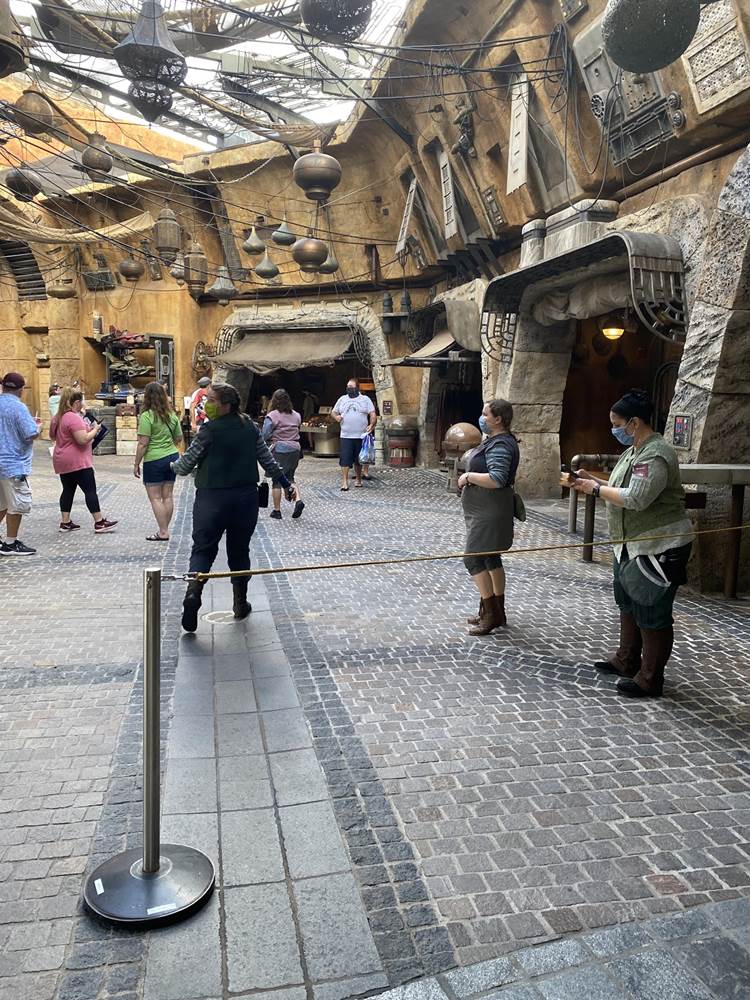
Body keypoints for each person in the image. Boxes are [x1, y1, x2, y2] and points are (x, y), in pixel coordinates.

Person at [568, 390, 694, 699]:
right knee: (627, 601)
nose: (614, 430)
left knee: (651, 609)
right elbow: (620, 487)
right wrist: (591, 480)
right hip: (628, 544)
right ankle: (626, 659)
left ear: (634, 423)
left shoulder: (656, 453)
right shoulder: (633, 451)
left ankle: (650, 677)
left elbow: (637, 497)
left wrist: (595, 490)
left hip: (657, 545)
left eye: (617, 424)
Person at [172, 383, 299, 632]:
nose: (206, 404)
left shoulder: (208, 430)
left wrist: (171, 466)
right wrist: (285, 484)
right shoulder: (249, 427)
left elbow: (185, 466)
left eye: (211, 400)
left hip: (210, 499)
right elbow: (268, 461)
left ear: (226, 404)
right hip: (244, 499)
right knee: (239, 551)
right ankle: (240, 603)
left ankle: (193, 593)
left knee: (202, 549)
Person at [457, 399, 520, 635]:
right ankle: (496, 610)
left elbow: (497, 478)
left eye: (486, 414)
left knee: (473, 559)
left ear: (498, 419)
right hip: (485, 509)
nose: (482, 418)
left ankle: (491, 614)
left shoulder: (501, 444)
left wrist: (468, 477)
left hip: (490, 512)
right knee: (490, 557)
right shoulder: (495, 440)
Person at [50, 388, 117, 534]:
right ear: (77, 402)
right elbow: (83, 439)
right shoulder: (73, 418)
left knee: (68, 490)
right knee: (90, 490)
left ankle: (65, 522)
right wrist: (96, 430)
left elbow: (52, 435)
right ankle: (99, 522)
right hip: (77, 461)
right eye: (82, 401)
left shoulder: (58, 417)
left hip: (62, 459)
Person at [134, 381, 183, 541]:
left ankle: (163, 532)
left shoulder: (147, 416)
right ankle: (164, 529)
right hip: (172, 456)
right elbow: (179, 438)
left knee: (155, 497)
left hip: (154, 460)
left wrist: (136, 463)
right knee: (167, 496)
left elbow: (143, 443)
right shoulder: (172, 415)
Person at [0, 371, 42, 555]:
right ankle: (10, 543)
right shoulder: (19, 407)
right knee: (17, 504)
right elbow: (30, 433)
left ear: (3, 386)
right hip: (13, 464)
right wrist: (38, 427)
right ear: (21, 389)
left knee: (1, 503)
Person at [262, 389, 305, 520]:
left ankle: (277, 511)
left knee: (277, 480)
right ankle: (298, 500)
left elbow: (265, 434)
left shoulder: (272, 416)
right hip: (295, 449)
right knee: (290, 477)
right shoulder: (296, 415)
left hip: (280, 449)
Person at [331, 378, 376, 491]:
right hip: (346, 435)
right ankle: (344, 481)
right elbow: (333, 412)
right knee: (345, 460)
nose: (349, 389)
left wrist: (372, 424)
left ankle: (359, 479)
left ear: (357, 388)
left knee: (358, 460)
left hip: (361, 435)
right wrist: (336, 417)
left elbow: (372, 414)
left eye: (351, 387)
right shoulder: (342, 399)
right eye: (348, 387)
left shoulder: (365, 399)